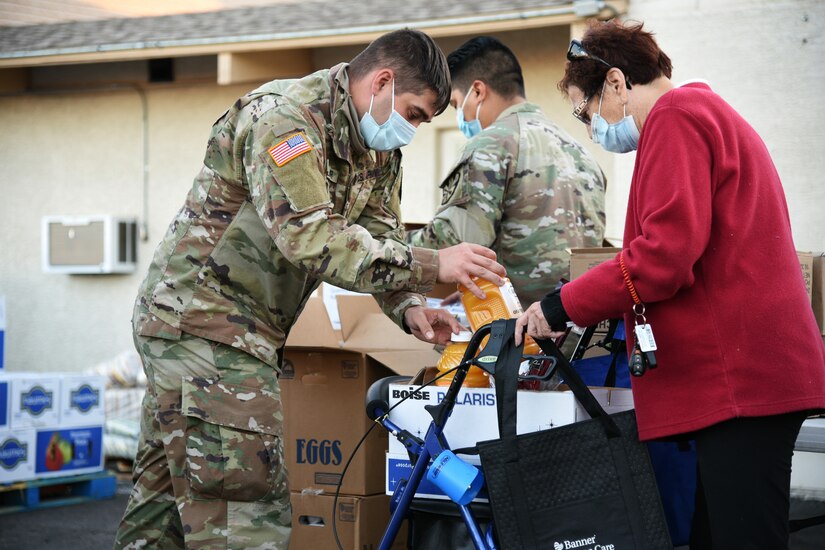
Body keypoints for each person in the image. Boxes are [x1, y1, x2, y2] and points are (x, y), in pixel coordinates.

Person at [114, 29, 507, 550]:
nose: (411, 130)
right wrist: (435, 263)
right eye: (413, 114)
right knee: (244, 511)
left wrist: (409, 305)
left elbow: (379, 236)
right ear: (383, 81)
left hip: (226, 330)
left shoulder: (375, 147)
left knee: (161, 510)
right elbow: (311, 238)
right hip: (205, 326)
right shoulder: (284, 119)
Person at [516, 19, 825, 549]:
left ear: (615, 83)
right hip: (750, 376)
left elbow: (661, 258)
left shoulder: (676, 119)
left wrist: (562, 306)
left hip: (741, 383)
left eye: (585, 112)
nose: (592, 128)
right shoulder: (703, 113)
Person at [406, 36, 606, 307]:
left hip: (522, 333)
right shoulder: (580, 152)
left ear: (477, 92)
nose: (459, 116)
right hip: (580, 329)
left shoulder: (491, 145)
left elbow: (454, 241)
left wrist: (392, 247)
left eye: (455, 104)